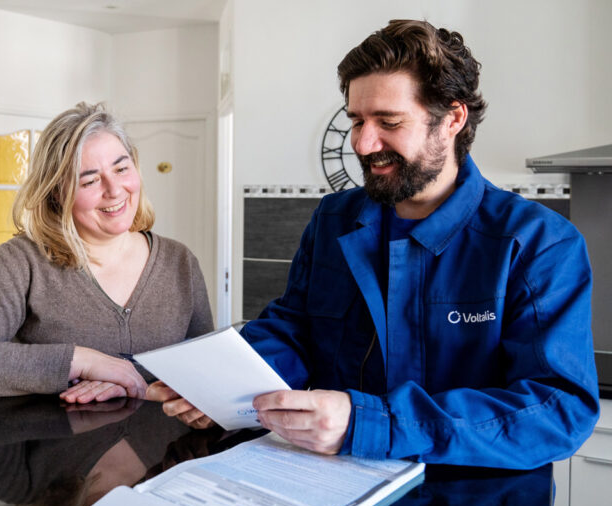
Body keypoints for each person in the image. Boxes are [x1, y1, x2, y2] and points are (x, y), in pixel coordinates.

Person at [148, 19, 600, 469]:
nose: (364, 144)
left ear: (453, 119)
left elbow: (556, 411)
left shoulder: (538, 243)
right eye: (357, 121)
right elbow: (295, 329)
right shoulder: (334, 220)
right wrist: (223, 387)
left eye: (389, 122)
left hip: (474, 495)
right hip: (335, 483)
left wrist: (368, 424)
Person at [0, 102, 213, 403]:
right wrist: (84, 362)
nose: (114, 190)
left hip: (169, 450)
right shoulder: (21, 263)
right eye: (89, 180)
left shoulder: (180, 262)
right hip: (57, 449)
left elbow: (209, 372)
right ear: (56, 193)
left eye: (121, 168)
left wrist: (139, 384)